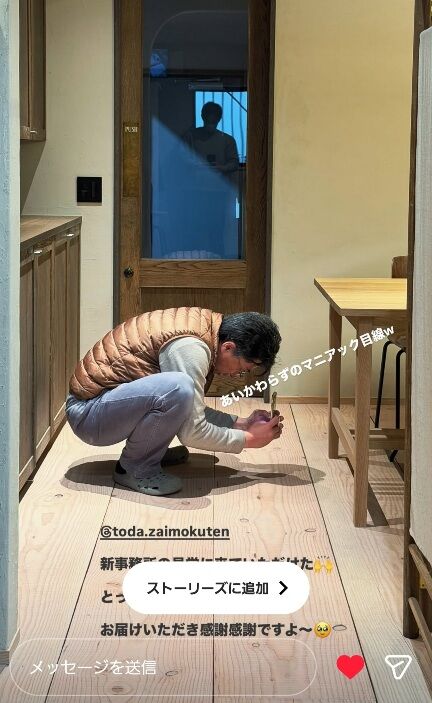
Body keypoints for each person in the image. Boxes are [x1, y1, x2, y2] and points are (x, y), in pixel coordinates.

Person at [66, 307, 283, 497]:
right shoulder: (191, 348)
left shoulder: (206, 330)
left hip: (100, 405)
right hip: (89, 415)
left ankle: (150, 454)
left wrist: (241, 424)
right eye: (243, 368)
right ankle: (135, 468)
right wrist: (248, 439)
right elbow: (192, 432)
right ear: (228, 347)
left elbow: (189, 410)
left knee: (179, 393)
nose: (237, 375)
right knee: (179, 387)